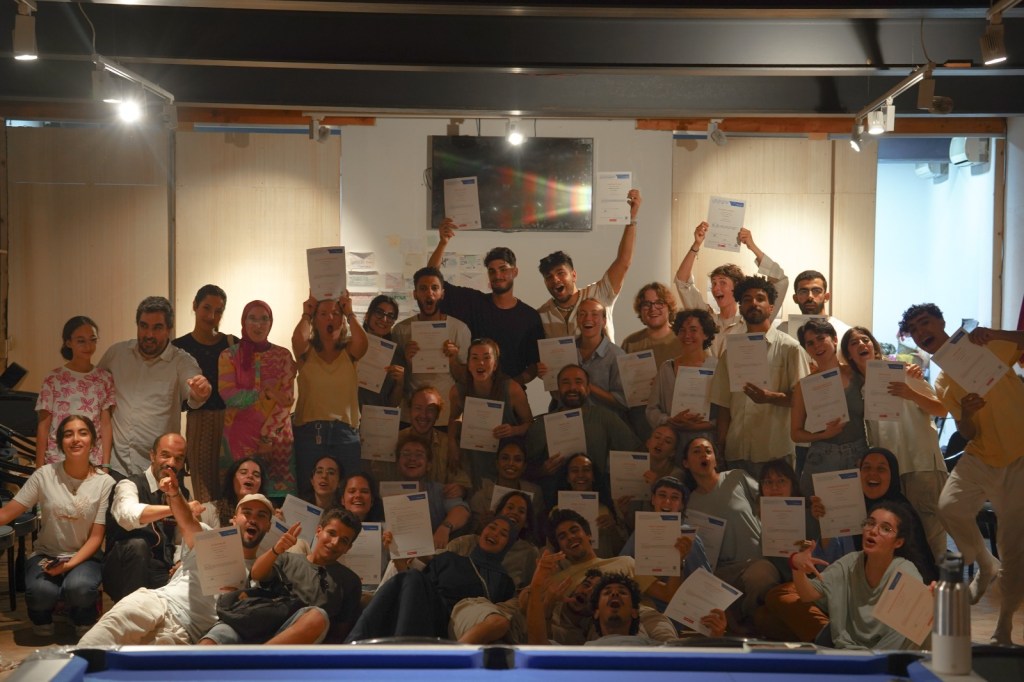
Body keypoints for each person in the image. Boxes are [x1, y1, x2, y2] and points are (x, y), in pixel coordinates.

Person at [900, 304, 1024, 645]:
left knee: (1013, 548)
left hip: (1019, 457)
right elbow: (967, 432)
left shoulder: (986, 345)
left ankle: (1004, 627)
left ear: (942, 322)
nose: (921, 332)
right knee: (949, 508)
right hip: (981, 454)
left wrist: (995, 333)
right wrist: (967, 413)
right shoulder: (942, 381)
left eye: (925, 322)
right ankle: (985, 563)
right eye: (914, 329)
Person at [78, 487, 274, 647]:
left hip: (186, 632)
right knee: (93, 645)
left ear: (268, 526)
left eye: (261, 515)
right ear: (234, 519)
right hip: (158, 603)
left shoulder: (260, 575)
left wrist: (235, 599)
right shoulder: (209, 537)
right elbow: (186, 520)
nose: (252, 519)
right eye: (246, 513)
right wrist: (174, 493)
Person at [0, 415, 114, 638]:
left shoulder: (105, 483)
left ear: (93, 441)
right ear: (60, 442)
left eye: (83, 433)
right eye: (68, 434)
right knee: (40, 593)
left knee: (79, 588)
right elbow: (7, 513)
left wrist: (68, 565)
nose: (75, 439)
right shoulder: (44, 475)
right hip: (46, 554)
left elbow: (96, 538)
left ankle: (83, 616)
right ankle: (43, 617)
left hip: (85, 556)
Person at [842, 326, 948, 561]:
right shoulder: (861, 390)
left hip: (921, 465)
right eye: (854, 343)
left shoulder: (906, 372)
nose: (862, 345)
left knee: (932, 537)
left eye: (865, 339)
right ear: (849, 354)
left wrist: (910, 393)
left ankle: (937, 583)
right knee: (902, 540)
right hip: (890, 475)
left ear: (874, 345)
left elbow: (941, 409)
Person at [200, 507, 363, 644]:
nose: (334, 542)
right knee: (214, 638)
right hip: (256, 621)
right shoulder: (287, 558)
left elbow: (340, 633)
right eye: (331, 533)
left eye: (343, 540)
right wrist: (276, 550)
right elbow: (256, 574)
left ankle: (255, 661)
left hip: (294, 641)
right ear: (319, 531)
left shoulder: (350, 581)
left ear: (348, 548)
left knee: (318, 616)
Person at [347, 516, 518, 642]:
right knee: (408, 577)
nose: (495, 534)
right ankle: (353, 644)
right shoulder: (449, 558)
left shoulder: (505, 581)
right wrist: (397, 556)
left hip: (456, 622)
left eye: (503, 534)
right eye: (492, 527)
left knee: (412, 576)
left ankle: (401, 651)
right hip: (429, 612)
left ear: (508, 544)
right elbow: (417, 587)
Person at [791, 501, 929, 650]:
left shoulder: (905, 571)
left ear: (898, 542)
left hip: (886, 656)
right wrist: (796, 566)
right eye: (870, 523)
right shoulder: (850, 562)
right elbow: (808, 594)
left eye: (885, 528)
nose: (873, 531)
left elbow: (916, 624)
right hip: (847, 652)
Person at [98, 296, 212, 476]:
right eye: (144, 326)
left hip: (158, 471)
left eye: (157, 327)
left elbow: (194, 391)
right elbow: (94, 388)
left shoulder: (181, 361)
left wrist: (201, 391)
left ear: (168, 329)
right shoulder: (117, 354)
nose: (149, 334)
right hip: (116, 466)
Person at [710, 276, 810, 477]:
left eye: (760, 298)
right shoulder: (730, 353)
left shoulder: (790, 348)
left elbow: (805, 400)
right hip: (736, 450)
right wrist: (720, 447)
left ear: (771, 307)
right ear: (741, 307)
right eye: (747, 299)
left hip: (775, 452)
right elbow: (723, 406)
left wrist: (770, 397)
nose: (753, 303)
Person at [682, 435, 781, 630]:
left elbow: (770, 499)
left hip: (756, 561)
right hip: (722, 570)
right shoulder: (689, 503)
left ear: (715, 460)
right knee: (698, 591)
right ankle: (734, 634)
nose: (704, 455)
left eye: (708, 451)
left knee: (761, 576)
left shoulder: (736, 477)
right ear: (686, 463)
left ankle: (752, 626)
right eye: (697, 451)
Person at [429, 223, 545, 386]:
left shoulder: (530, 317)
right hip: (475, 391)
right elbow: (431, 279)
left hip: (513, 395)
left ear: (515, 272)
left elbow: (534, 365)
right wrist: (442, 243)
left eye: (503, 269)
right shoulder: (474, 303)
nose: (497, 275)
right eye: (492, 271)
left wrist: (512, 386)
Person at [525, 365, 642, 507]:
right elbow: (523, 469)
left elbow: (634, 451)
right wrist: (542, 470)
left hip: (597, 501)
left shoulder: (603, 417)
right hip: (553, 502)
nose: (572, 387)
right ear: (558, 388)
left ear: (587, 388)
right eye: (566, 382)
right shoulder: (543, 424)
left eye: (578, 382)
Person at [103, 432, 198, 603]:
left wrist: (180, 562)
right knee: (137, 545)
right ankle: (132, 610)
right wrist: (176, 509)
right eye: (165, 455)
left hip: (162, 569)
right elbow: (128, 515)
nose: (171, 463)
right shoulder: (129, 484)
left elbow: (180, 540)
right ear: (152, 456)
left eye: (178, 459)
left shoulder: (183, 494)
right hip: (123, 568)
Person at [536, 188, 639, 342]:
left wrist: (631, 220)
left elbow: (623, 261)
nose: (555, 280)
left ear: (574, 275)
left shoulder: (598, 294)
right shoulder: (542, 315)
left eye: (560, 273)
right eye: (549, 277)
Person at [291, 291, 367, 495]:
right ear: (315, 321)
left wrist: (350, 313)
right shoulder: (307, 352)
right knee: (308, 493)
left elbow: (363, 343)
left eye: (335, 313)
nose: (330, 318)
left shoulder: (349, 352)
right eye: (323, 314)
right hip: (310, 434)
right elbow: (297, 339)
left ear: (342, 320)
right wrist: (306, 313)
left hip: (345, 434)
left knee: (348, 492)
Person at [675, 222, 788, 357]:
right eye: (714, 283)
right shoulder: (706, 318)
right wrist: (696, 245)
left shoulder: (754, 317)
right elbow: (682, 283)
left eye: (722, 283)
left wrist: (752, 246)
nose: (716, 288)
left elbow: (780, 281)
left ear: (737, 287)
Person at [220, 300, 296, 497]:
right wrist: (264, 394)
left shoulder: (283, 356)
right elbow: (229, 395)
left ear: (271, 323)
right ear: (243, 321)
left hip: (277, 439)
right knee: (238, 496)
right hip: (238, 438)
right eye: (252, 318)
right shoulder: (229, 356)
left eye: (264, 319)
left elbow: (286, 401)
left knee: (275, 498)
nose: (258, 324)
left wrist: (267, 437)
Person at [171, 284, 236, 503]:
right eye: (206, 308)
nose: (211, 316)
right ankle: (209, 526)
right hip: (199, 422)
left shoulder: (232, 344)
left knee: (233, 487)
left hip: (232, 425)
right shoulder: (178, 348)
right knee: (204, 491)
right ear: (195, 306)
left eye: (218, 311)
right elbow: (176, 396)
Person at [791, 319, 867, 497]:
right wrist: (822, 435)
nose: (816, 345)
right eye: (810, 343)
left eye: (820, 338)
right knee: (816, 511)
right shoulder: (804, 386)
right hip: (822, 456)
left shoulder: (858, 374)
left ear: (834, 339)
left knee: (857, 510)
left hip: (858, 455)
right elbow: (795, 433)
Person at [391, 267, 471, 425]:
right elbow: (395, 381)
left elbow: (466, 380)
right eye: (423, 288)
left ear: (442, 293)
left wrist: (453, 360)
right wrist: (407, 361)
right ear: (415, 294)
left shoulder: (459, 329)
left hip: (446, 417)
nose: (429, 294)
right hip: (411, 416)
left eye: (435, 288)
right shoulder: (401, 330)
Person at [448, 338, 533, 486]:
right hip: (474, 458)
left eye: (486, 358)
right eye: (475, 358)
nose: (480, 363)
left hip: (506, 461)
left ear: (495, 365)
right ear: (468, 364)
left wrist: (514, 430)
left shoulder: (512, 389)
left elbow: (530, 424)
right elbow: (453, 419)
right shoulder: (457, 391)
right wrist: (452, 443)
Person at [35, 315, 115, 470]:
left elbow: (105, 424)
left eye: (92, 340)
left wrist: (106, 464)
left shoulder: (104, 378)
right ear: (68, 342)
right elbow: (43, 425)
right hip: (58, 458)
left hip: (92, 460)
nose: (88, 346)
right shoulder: (54, 378)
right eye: (81, 341)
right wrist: (39, 468)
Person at [645, 308, 718, 442]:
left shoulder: (717, 368)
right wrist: (669, 420)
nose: (687, 335)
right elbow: (651, 410)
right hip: (672, 444)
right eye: (682, 330)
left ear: (706, 334)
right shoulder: (666, 368)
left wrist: (697, 427)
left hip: (705, 444)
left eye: (693, 330)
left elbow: (724, 415)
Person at [387, 386, 471, 496]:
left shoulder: (449, 445)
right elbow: (381, 479)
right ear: (409, 411)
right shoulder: (393, 441)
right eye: (418, 408)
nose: (423, 415)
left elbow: (463, 481)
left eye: (430, 410)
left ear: (438, 415)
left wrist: (461, 489)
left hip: (439, 502)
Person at [394, 432, 471, 549]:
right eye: (406, 454)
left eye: (419, 455)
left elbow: (462, 512)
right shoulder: (386, 493)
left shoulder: (440, 491)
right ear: (397, 463)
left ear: (429, 465)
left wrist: (445, 527)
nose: (412, 459)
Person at [455, 488, 540, 588]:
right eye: (510, 507)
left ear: (526, 522)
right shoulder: (466, 542)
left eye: (521, 511)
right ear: (498, 513)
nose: (514, 513)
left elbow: (530, 589)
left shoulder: (530, 552)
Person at [554, 453, 627, 558]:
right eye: (575, 470)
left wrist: (613, 529)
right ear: (567, 478)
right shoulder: (557, 511)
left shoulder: (607, 509)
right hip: (570, 567)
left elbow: (620, 550)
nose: (581, 475)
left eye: (586, 470)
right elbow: (551, 551)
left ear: (593, 476)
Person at [572, 298, 627, 415]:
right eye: (582, 314)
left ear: (604, 321)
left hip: (604, 421)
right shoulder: (566, 350)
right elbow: (558, 394)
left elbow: (623, 401)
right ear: (577, 320)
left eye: (594, 314)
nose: (588, 318)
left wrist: (589, 387)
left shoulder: (616, 355)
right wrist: (548, 375)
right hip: (571, 420)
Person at [358, 294, 405, 409]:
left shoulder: (396, 356)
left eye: (390, 316)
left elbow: (393, 404)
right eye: (379, 313)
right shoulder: (352, 346)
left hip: (377, 417)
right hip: (349, 416)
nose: (384, 319)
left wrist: (399, 383)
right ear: (367, 316)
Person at [777, 270, 851, 342]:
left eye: (816, 291)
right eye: (803, 292)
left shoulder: (844, 331)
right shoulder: (783, 331)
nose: (810, 296)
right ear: (795, 298)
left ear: (826, 297)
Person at [203, 456, 268, 528]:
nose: (250, 476)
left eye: (256, 475)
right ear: (232, 479)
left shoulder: (267, 516)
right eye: (243, 472)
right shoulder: (209, 511)